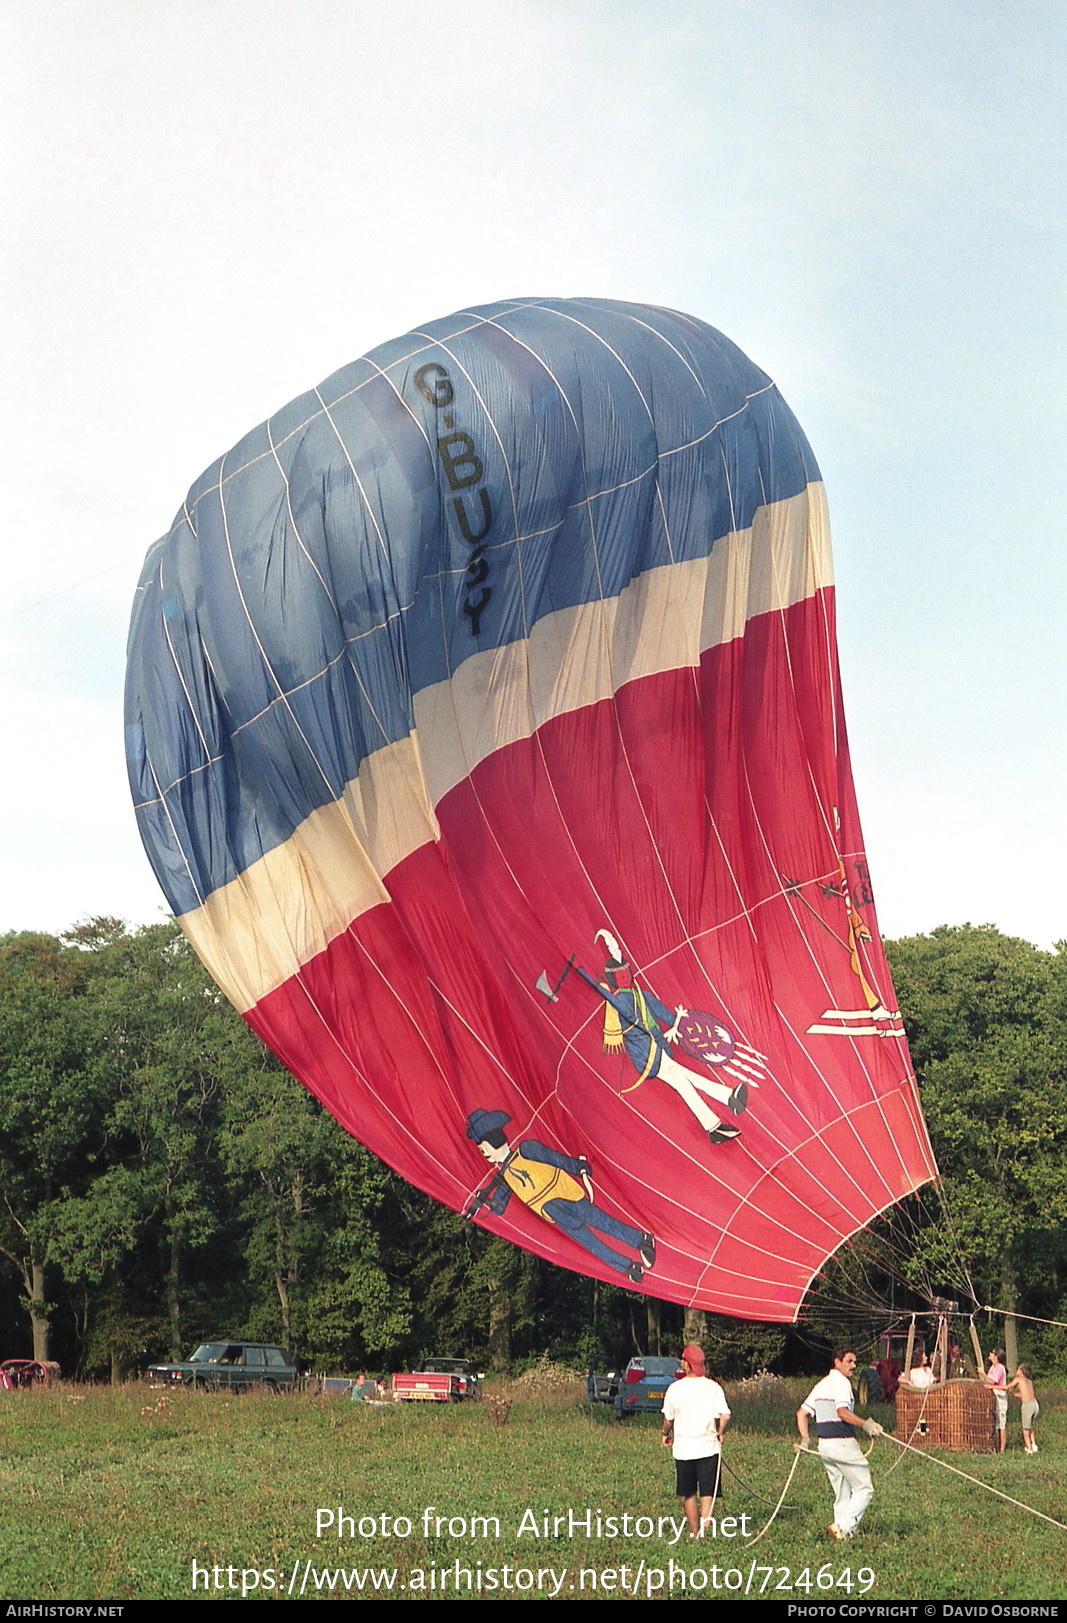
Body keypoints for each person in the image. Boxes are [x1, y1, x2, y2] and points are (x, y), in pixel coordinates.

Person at [575, 931, 747, 1145]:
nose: (625, 976)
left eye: (626, 972)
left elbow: (662, 1011)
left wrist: (681, 1024)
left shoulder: (640, 994)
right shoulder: (619, 1001)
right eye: (620, 975)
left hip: (658, 1048)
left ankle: (719, 1117)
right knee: (683, 1080)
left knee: (684, 1080)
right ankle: (723, 1105)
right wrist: (582, 970)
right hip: (647, 1056)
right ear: (614, 979)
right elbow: (625, 1010)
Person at [464, 1109, 655, 1282]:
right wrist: (481, 1200)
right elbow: (499, 1207)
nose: (483, 1153)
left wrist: (578, 1166)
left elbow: (554, 1158)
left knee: (601, 1221)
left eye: (483, 1148)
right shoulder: (503, 1177)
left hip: (565, 1193)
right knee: (589, 1242)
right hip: (552, 1211)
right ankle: (628, 1267)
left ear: (494, 1139)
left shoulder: (526, 1149)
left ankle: (642, 1240)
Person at [796, 1348, 883, 1541]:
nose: (853, 1366)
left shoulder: (821, 1384)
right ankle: (843, 1527)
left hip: (824, 1445)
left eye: (854, 1362)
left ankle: (842, 1537)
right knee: (864, 1489)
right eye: (849, 1361)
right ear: (837, 1362)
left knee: (842, 1493)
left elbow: (801, 1413)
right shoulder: (842, 1384)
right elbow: (842, 1412)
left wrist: (805, 1438)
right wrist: (866, 1424)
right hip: (842, 1444)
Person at [661, 1344, 731, 1537]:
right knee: (707, 1493)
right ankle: (705, 1532)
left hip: (684, 1449)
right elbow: (725, 1415)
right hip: (708, 1447)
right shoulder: (713, 1387)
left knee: (689, 1492)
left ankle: (694, 1532)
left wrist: (665, 1434)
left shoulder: (674, 1389)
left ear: (687, 1364)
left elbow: (668, 1419)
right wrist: (720, 1432)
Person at [1006, 1363, 1040, 1454]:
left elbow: (1006, 1387)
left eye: (1018, 1369)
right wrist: (1013, 1393)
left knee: (1025, 1429)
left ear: (1021, 1371)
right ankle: (1033, 1445)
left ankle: (1029, 1449)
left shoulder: (1018, 1379)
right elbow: (1022, 1395)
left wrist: (992, 1386)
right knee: (1029, 1427)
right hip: (1035, 1404)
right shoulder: (1029, 1381)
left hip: (1027, 1405)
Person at [983, 1348, 1008, 1452]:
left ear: (996, 1357)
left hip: (1000, 1396)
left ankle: (1002, 1449)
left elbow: (993, 1382)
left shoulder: (999, 1368)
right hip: (993, 1395)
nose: (990, 1354)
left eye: (992, 1353)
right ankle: (994, 1445)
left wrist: (982, 1374)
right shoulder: (992, 1367)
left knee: (1001, 1423)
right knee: (994, 1421)